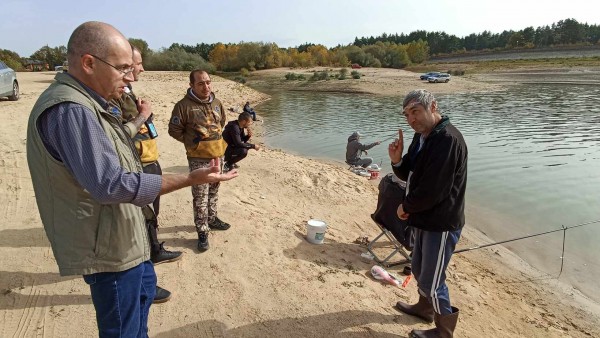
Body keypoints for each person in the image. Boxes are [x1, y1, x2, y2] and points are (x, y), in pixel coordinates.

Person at [26, 21, 238, 338]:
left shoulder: (90, 104)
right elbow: (111, 185)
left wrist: (138, 119)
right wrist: (189, 179)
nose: (130, 77)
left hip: (125, 238)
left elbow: (110, 142)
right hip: (110, 251)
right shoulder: (72, 110)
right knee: (122, 330)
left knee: (140, 309)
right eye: (123, 68)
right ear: (88, 63)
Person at [388, 89, 467, 338]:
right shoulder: (422, 136)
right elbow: (410, 172)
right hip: (423, 217)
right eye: (407, 114)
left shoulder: (447, 140)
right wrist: (397, 160)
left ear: (432, 107)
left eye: (416, 111)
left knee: (432, 279)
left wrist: (406, 207)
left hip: (441, 222)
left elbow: (434, 191)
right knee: (420, 269)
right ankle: (424, 308)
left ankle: (444, 332)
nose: (411, 119)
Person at [111, 45, 182, 304]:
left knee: (151, 214)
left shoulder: (128, 91)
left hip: (149, 159)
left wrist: (144, 115)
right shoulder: (113, 94)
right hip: (137, 165)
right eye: (136, 64)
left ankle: (154, 250)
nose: (140, 69)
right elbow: (119, 134)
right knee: (140, 221)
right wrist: (143, 116)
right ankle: (143, 283)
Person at [168, 70, 231, 253]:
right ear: (192, 85)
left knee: (214, 190)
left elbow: (222, 122)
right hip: (198, 158)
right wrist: (194, 144)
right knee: (200, 195)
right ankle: (202, 231)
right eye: (201, 84)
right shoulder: (183, 106)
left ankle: (212, 219)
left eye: (208, 82)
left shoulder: (217, 103)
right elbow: (174, 130)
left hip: (218, 154)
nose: (206, 87)